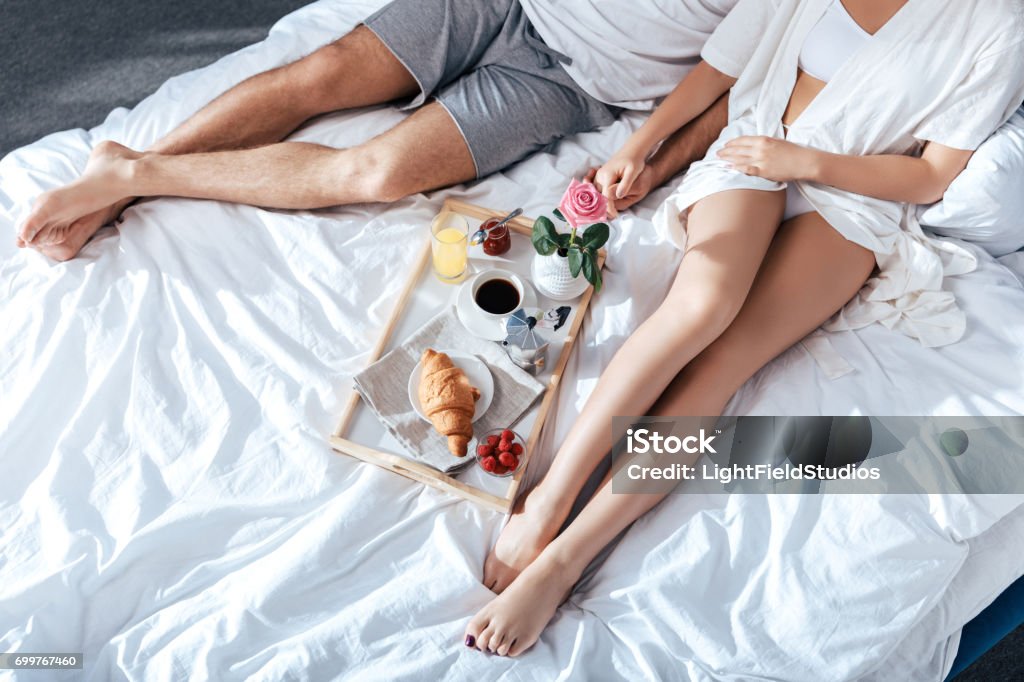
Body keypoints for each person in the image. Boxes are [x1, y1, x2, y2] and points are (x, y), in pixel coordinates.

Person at [463, 0, 1024, 658]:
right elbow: (719, 68)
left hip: (855, 197)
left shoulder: (998, 23)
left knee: (725, 366)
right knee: (700, 309)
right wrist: (638, 150)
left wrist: (806, 165)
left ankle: (565, 562)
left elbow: (932, 173)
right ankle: (551, 502)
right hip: (754, 151)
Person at [14, 0, 737, 261]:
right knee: (324, 72)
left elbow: (734, 83)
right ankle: (118, 178)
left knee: (377, 174)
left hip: (575, 82)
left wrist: (653, 159)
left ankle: (135, 174)